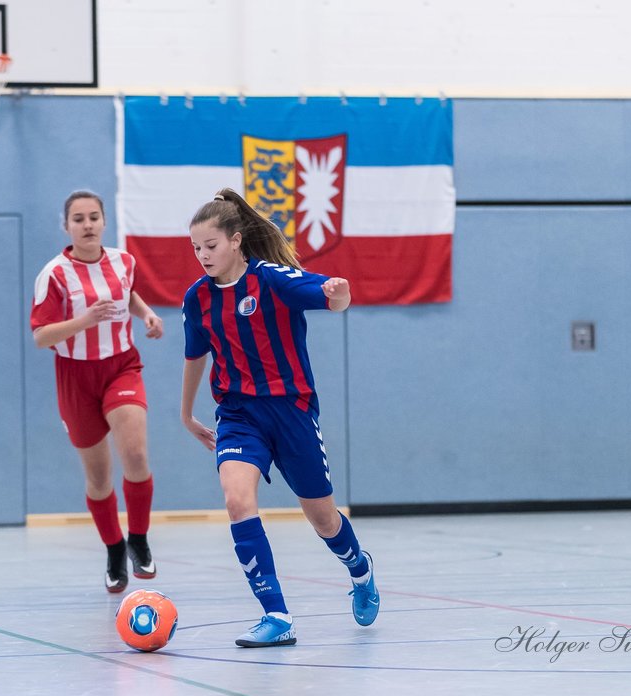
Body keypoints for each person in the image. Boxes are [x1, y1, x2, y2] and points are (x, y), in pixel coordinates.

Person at [179, 188, 380, 647]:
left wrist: (340, 293)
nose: (202, 256)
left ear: (234, 241)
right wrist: (187, 413)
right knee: (236, 500)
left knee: (323, 520)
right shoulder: (198, 299)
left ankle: (360, 568)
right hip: (237, 414)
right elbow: (195, 354)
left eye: (210, 246)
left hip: (291, 411)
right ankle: (276, 615)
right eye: (195, 249)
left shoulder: (271, 279)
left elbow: (329, 296)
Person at [31, 190, 164, 593]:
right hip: (75, 375)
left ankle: (138, 539)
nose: (87, 225)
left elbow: (128, 293)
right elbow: (41, 336)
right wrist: (84, 320)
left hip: (121, 365)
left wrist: (147, 314)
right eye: (78, 219)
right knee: (98, 476)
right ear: (66, 226)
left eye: (93, 217)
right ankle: (113, 548)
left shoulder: (124, 261)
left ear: (104, 221)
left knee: (136, 454)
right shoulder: (53, 274)